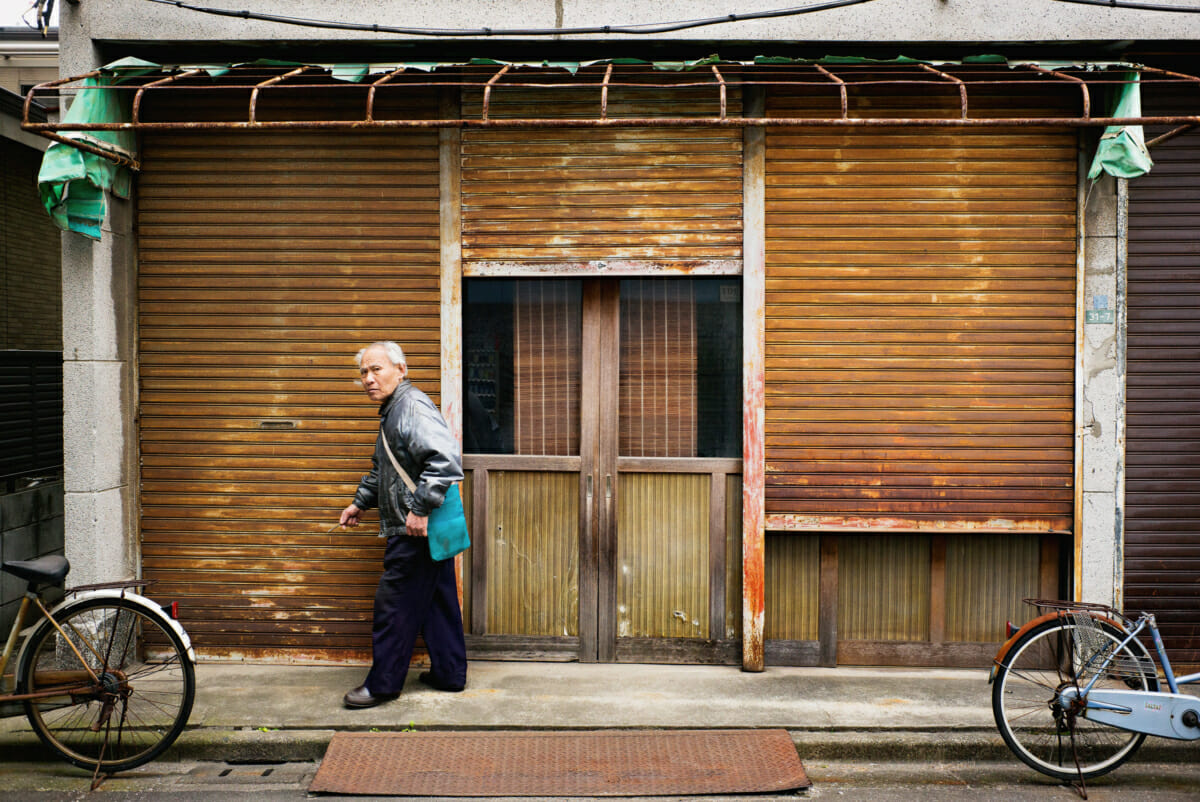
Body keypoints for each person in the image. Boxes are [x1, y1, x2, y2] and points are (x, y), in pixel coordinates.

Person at [338, 341, 468, 708]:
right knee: (438, 600)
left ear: (401, 369)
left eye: (376, 369)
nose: (368, 378)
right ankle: (449, 673)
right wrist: (360, 502)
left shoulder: (410, 406)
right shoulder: (392, 410)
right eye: (363, 372)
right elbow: (384, 469)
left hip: (414, 527)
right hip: (420, 525)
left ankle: (383, 685)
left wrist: (420, 508)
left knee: (393, 605)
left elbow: (444, 460)